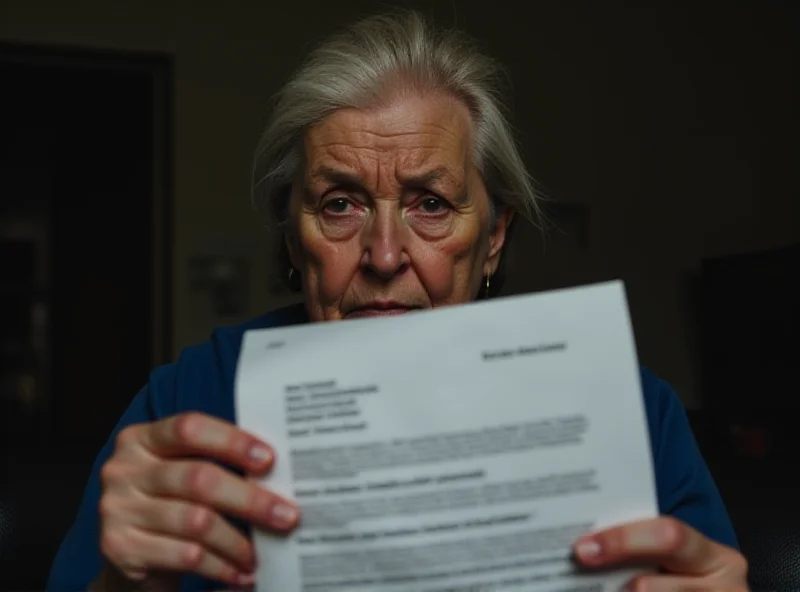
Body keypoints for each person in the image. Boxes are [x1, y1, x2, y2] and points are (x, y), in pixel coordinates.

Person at [47, 11, 747, 592]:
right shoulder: (186, 404)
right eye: (341, 203)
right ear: (293, 240)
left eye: (432, 204)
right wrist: (121, 581)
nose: (384, 256)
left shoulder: (630, 413)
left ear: (494, 238)